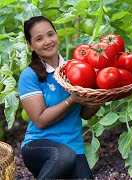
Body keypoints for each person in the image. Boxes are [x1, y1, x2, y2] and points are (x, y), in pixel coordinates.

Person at [18, 16, 101, 179]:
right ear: (31, 45)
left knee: (68, 157)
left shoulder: (75, 68)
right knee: (63, 156)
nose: (47, 41)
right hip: (39, 146)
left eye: (50, 34)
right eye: (39, 38)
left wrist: (97, 97)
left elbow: (85, 114)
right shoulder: (29, 76)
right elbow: (40, 120)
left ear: (57, 35)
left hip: (74, 148)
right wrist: (71, 100)